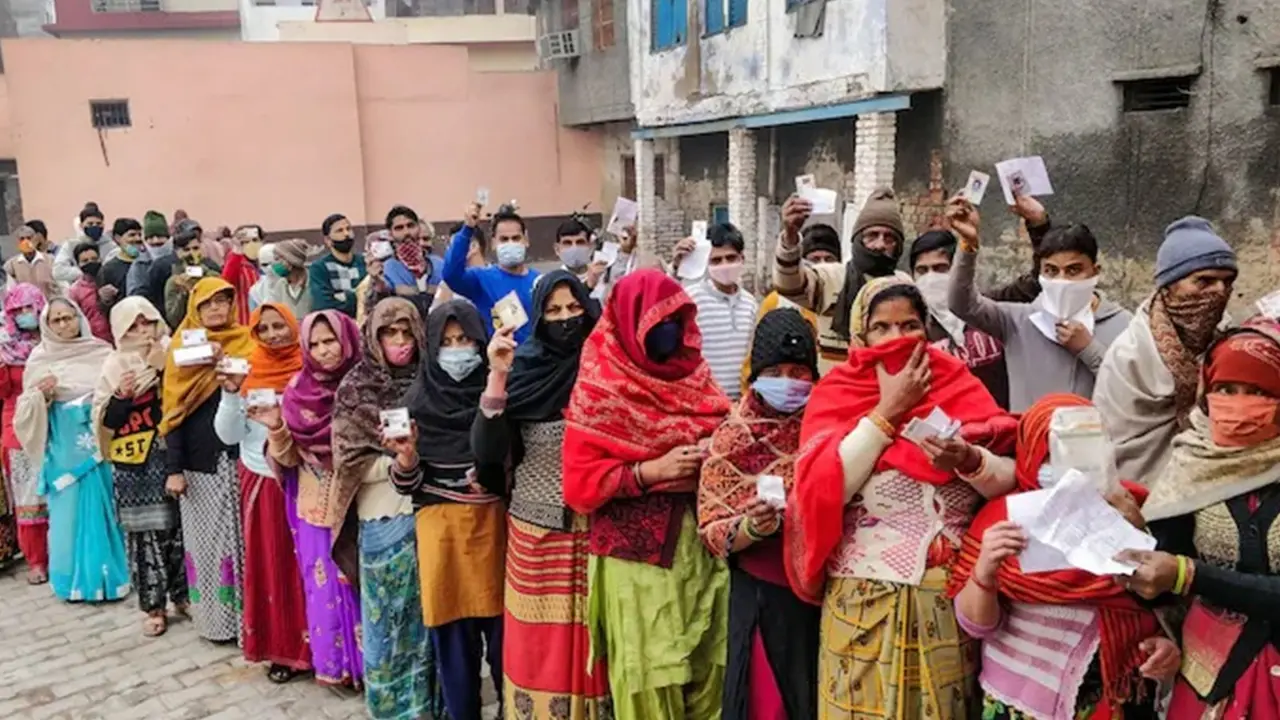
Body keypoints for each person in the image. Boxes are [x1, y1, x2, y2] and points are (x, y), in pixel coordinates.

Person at [785, 276, 1019, 719]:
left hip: (946, 600)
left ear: (927, 329)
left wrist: (968, 459)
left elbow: (1011, 479)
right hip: (862, 600)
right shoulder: (837, 395)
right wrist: (887, 413)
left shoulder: (959, 386)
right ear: (860, 335)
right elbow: (821, 492)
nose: (897, 339)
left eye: (909, 325)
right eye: (882, 327)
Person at [562, 269, 732, 719]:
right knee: (650, 677)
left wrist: (710, 455)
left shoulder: (696, 374)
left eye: (675, 319)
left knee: (709, 665)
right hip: (634, 557)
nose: (667, 332)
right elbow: (579, 485)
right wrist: (647, 471)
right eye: (655, 322)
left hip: (702, 546)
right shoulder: (601, 384)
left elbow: (728, 436)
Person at [948, 394, 1178, 719]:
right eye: (1053, 453)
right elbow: (977, 626)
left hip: (1107, 700)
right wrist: (984, 572)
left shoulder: (1136, 510)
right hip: (1016, 702)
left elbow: (1163, 601)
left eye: (1088, 448)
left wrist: (1137, 535)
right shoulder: (1000, 521)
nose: (1071, 468)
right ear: (1029, 454)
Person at [1124, 317, 1280, 719]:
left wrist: (1189, 574)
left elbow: (1181, 572)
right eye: (1226, 389)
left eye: (1258, 391)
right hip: (1207, 676)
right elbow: (1164, 578)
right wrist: (1132, 535)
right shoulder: (1192, 464)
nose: (1239, 403)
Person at [470, 270, 609, 718]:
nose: (566, 319)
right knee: (540, 648)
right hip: (538, 534)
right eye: (553, 311)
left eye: (574, 308)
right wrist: (498, 374)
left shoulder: (609, 367)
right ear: (537, 316)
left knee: (597, 639)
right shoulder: (523, 366)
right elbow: (489, 453)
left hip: (601, 530)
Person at [697, 307, 821, 720]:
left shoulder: (827, 429)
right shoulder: (733, 437)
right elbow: (713, 529)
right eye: (777, 370)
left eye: (799, 372)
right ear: (757, 373)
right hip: (763, 594)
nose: (788, 382)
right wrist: (751, 526)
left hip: (820, 593)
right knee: (768, 704)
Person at [387, 300, 505, 720]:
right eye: (447, 342)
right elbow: (407, 485)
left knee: (507, 642)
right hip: (442, 540)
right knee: (455, 648)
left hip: (498, 533)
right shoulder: (415, 403)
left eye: (466, 339)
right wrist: (406, 459)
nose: (458, 350)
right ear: (431, 348)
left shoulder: (501, 394)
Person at [330, 297, 446, 719]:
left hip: (432, 514)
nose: (400, 342)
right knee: (390, 626)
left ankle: (433, 707)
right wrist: (401, 461)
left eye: (406, 333)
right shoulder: (357, 387)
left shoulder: (434, 379)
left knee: (431, 623)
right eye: (389, 333)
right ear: (373, 336)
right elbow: (348, 461)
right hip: (384, 521)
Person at [945, 197, 1132, 412]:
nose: (1061, 281)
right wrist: (968, 245)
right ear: (1040, 273)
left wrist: (1089, 350)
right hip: (1030, 442)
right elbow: (961, 304)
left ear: (1095, 271)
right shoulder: (1018, 321)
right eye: (1051, 271)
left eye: (1073, 270)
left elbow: (1133, 391)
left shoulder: (1124, 325)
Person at [1095, 216, 1238, 486]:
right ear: (1169, 287)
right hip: (1142, 489)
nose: (1219, 291)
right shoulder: (1129, 356)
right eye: (1204, 281)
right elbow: (1117, 442)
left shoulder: (1227, 341)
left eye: (1227, 281)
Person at [265, 310, 365, 688]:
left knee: (359, 587)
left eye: (331, 340)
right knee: (323, 588)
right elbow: (288, 457)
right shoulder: (296, 391)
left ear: (348, 339)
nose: (324, 350)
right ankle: (336, 666)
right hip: (315, 507)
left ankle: (371, 669)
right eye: (316, 343)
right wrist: (275, 426)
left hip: (359, 504)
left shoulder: (366, 386)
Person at [214, 303, 311, 681]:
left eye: (279, 326)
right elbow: (228, 435)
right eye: (264, 328)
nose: (273, 334)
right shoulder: (246, 370)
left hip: (310, 478)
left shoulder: (312, 364)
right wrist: (230, 396)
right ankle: (282, 651)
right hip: (263, 480)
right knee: (274, 567)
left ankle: (325, 648)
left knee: (316, 566)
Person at [14, 298, 129, 602]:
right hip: (64, 449)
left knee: (107, 507)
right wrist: (42, 395)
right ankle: (72, 582)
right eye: (57, 320)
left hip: (101, 442)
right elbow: (25, 411)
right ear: (47, 325)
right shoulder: (40, 359)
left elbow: (117, 392)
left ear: (80, 317)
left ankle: (112, 577)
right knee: (69, 516)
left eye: (69, 317)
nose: (65, 324)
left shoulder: (102, 351)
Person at [160, 278, 254, 643]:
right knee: (212, 546)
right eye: (207, 304)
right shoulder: (182, 349)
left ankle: (253, 623)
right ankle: (218, 624)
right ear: (194, 309)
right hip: (201, 467)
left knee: (246, 542)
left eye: (223, 302)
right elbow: (173, 413)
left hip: (243, 460)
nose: (216, 310)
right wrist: (174, 468)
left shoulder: (246, 340)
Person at [93, 297, 187, 636]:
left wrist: (165, 368)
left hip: (173, 456)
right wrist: (121, 397)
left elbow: (186, 399)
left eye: (146, 322)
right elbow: (107, 422)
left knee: (180, 530)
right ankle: (153, 605)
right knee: (144, 535)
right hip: (134, 463)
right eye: (133, 325)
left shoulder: (173, 352)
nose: (142, 330)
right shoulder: (114, 364)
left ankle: (183, 595)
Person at [772, 189, 912, 371]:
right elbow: (788, 284)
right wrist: (790, 236)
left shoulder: (903, 284)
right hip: (837, 391)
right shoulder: (831, 277)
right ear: (858, 239)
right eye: (872, 235)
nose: (880, 245)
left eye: (889, 238)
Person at [910, 228, 1011, 408]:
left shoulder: (988, 311)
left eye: (940, 268)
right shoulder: (914, 329)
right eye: (922, 271)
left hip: (1000, 426)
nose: (931, 278)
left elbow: (1032, 285)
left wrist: (1037, 224)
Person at [0, 284, 48, 584]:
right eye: (17, 311)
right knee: (28, 497)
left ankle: (66, 553)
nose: (25, 316)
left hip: (57, 423)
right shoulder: (5, 349)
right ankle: (37, 560)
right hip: (17, 426)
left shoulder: (57, 339)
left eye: (30, 309)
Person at [443, 204, 540, 343]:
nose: (510, 243)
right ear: (494, 243)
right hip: (499, 358)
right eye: (504, 239)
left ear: (526, 240)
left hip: (535, 361)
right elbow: (451, 275)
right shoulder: (481, 279)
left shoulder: (539, 282)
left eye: (516, 238)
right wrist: (467, 229)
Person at [684, 222, 759, 401]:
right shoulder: (692, 299)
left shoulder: (750, 304)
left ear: (742, 258)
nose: (725, 265)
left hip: (741, 403)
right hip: (704, 402)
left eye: (731, 258)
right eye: (716, 260)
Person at [163, 225, 223, 329]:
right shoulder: (174, 281)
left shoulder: (213, 276)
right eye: (186, 249)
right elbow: (173, 319)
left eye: (195, 248)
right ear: (178, 252)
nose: (192, 253)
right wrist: (184, 293)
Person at [309, 213, 366, 317]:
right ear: (328, 240)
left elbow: (373, 299)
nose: (346, 234)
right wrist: (356, 296)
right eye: (339, 231)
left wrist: (343, 297)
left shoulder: (365, 262)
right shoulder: (319, 268)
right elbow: (324, 306)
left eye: (348, 229)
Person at [53, 204, 114, 289]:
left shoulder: (111, 246)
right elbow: (58, 271)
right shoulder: (70, 244)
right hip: (77, 290)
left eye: (98, 223)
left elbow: (113, 270)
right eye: (90, 223)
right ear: (81, 225)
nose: (94, 226)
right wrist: (85, 272)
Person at [540, 217, 607, 291]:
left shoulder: (603, 278)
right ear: (557, 249)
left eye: (580, 242)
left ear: (590, 247)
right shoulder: (550, 282)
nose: (574, 248)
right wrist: (588, 285)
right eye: (567, 243)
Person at [66, 242, 113, 344]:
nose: (90, 263)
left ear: (100, 259)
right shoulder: (75, 291)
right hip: (93, 342)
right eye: (85, 261)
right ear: (78, 265)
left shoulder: (111, 279)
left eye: (94, 259)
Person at [258, 238, 314, 320]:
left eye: (277, 259)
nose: (274, 264)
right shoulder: (280, 285)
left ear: (290, 260)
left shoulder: (314, 281)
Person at [221, 225, 265, 326]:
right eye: (245, 242)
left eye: (255, 240)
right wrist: (237, 251)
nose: (251, 244)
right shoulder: (237, 264)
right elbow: (225, 281)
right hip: (245, 323)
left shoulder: (267, 264)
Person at [127, 212, 172, 302]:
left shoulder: (179, 259)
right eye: (151, 237)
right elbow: (134, 297)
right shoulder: (139, 265)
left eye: (159, 236)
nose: (156, 241)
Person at [5, 225, 58, 299]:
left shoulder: (50, 260)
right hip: (26, 308)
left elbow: (60, 286)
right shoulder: (11, 265)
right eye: (22, 239)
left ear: (35, 240)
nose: (26, 242)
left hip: (48, 305)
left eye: (29, 238)